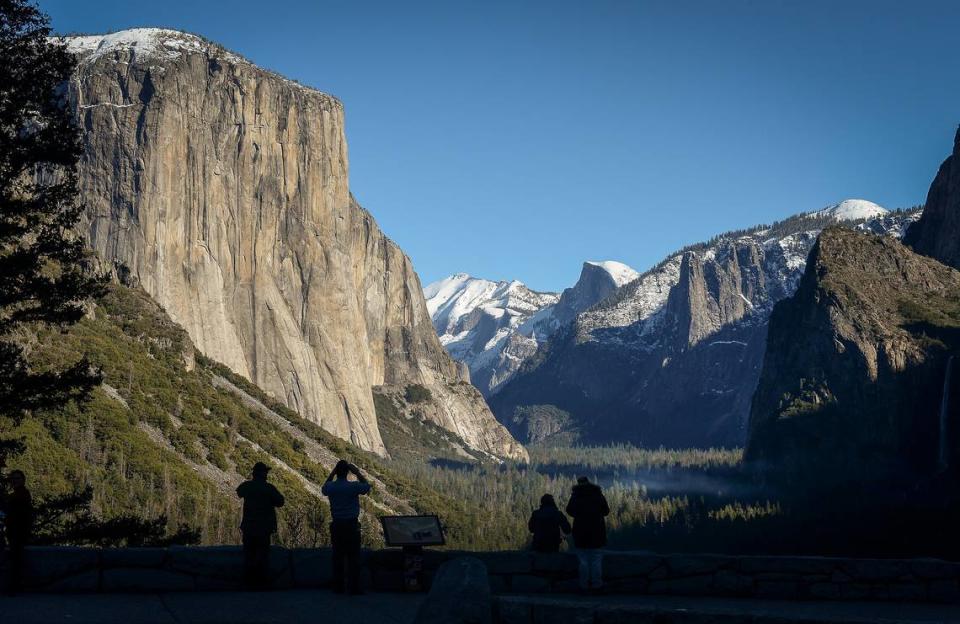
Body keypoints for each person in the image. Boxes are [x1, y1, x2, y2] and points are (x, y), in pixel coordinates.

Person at [321, 460, 371, 595]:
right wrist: (357, 472)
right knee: (353, 556)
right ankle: (354, 587)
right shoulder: (353, 487)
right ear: (347, 472)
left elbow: (324, 488)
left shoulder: (331, 487)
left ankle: (338, 587)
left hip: (337, 525)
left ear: (337, 472)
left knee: (337, 556)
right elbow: (367, 486)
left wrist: (332, 472)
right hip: (351, 525)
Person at [236, 462, 284, 590]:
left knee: (249, 554)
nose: (267, 474)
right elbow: (280, 502)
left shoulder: (246, 486)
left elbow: (239, 492)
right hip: (264, 527)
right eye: (266, 472)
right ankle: (262, 582)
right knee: (263, 555)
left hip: (249, 526)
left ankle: (248, 582)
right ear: (263, 474)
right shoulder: (269, 488)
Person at [565, 476, 609, 592]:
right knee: (596, 559)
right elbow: (606, 511)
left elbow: (569, 510)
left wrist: (579, 515)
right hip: (597, 531)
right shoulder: (597, 494)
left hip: (580, 532)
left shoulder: (576, 495)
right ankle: (597, 585)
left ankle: (583, 586)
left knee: (583, 560)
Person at [3, 470, 32, 595]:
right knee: (16, 560)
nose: (15, 481)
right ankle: (15, 585)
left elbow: (21, 515)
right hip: (14, 531)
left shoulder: (22, 495)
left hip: (18, 532)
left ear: (23, 480)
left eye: (18, 478)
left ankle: (15, 586)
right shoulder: (17, 495)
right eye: (13, 478)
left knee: (16, 560)